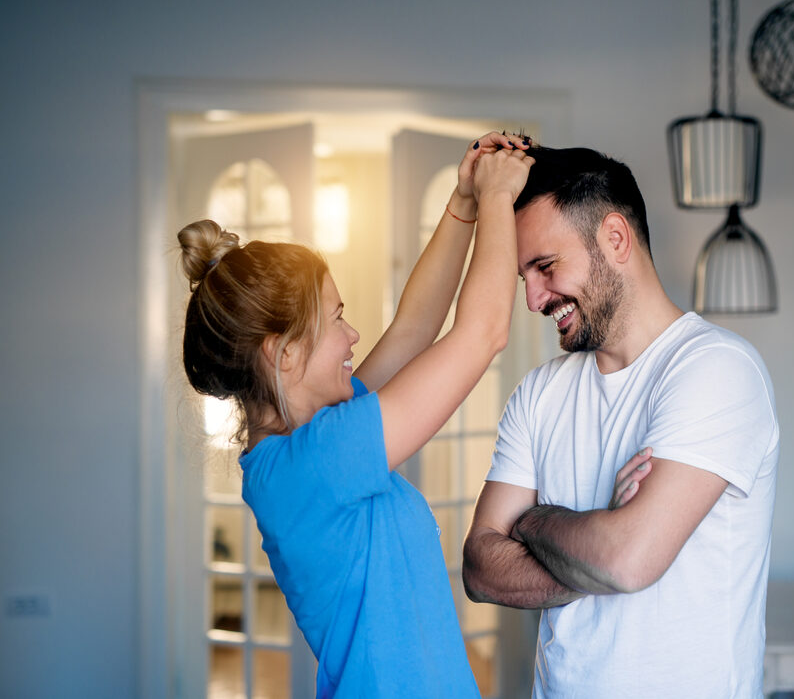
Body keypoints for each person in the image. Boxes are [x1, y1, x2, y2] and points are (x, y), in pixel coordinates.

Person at [177, 131, 533, 698]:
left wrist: (464, 202)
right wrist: (498, 199)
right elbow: (482, 334)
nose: (353, 336)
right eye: (336, 319)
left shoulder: (313, 445)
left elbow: (415, 329)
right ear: (284, 352)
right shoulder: (316, 462)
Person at [462, 145, 779, 698]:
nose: (534, 298)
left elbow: (627, 562)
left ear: (615, 238)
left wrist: (532, 521)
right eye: (524, 278)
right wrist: (597, 537)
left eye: (545, 266)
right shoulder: (538, 393)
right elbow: (480, 568)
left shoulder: (716, 368)